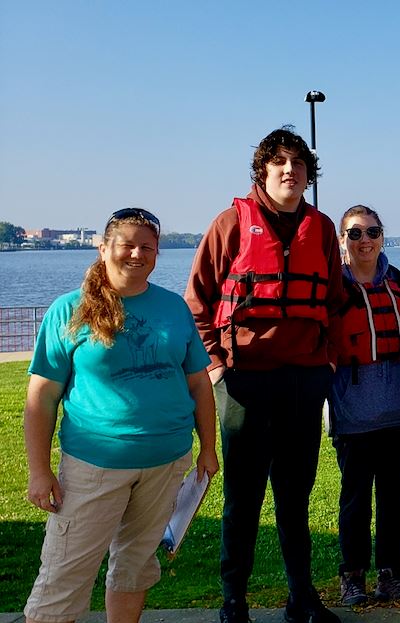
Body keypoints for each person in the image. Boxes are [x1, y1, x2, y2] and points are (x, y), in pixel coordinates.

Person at [23, 208, 218, 623]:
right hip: (94, 465)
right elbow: (41, 396)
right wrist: (39, 471)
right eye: (127, 244)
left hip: (166, 464)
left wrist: (207, 449)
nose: (136, 254)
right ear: (103, 248)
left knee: (135, 567)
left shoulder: (173, 308)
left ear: (157, 253)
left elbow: (199, 383)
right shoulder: (69, 309)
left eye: (146, 246)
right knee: (64, 576)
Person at [186, 127, 346, 623]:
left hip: (304, 379)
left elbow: (335, 303)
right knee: (243, 496)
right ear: (263, 170)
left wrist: (330, 361)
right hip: (245, 381)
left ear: (308, 175)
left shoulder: (319, 228)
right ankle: (233, 598)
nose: (290, 171)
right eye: (280, 162)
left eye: (298, 164)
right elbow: (199, 302)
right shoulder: (231, 222)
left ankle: (302, 596)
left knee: (295, 495)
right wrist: (215, 366)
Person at [329, 205, 400, 606]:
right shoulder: (333, 288)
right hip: (353, 416)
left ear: (382, 236)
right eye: (354, 234)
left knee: (392, 496)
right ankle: (352, 575)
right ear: (342, 240)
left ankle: (390, 572)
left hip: (399, 412)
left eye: (372, 232)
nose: (364, 240)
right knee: (354, 500)